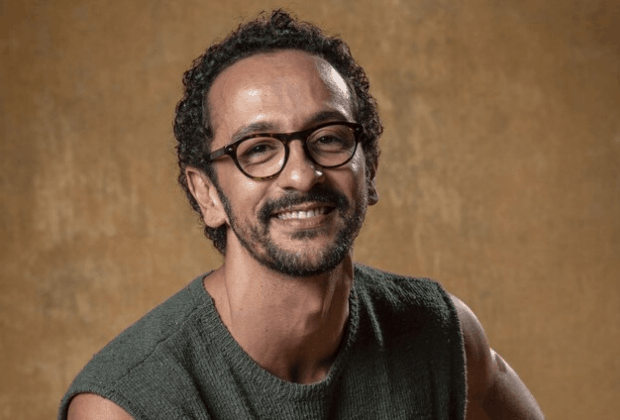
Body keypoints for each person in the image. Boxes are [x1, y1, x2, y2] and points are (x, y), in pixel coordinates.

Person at [59, 10, 544, 420]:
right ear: (207, 194)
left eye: (328, 138)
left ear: (370, 167)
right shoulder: (127, 405)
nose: (302, 174)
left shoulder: (441, 334)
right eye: (258, 149)